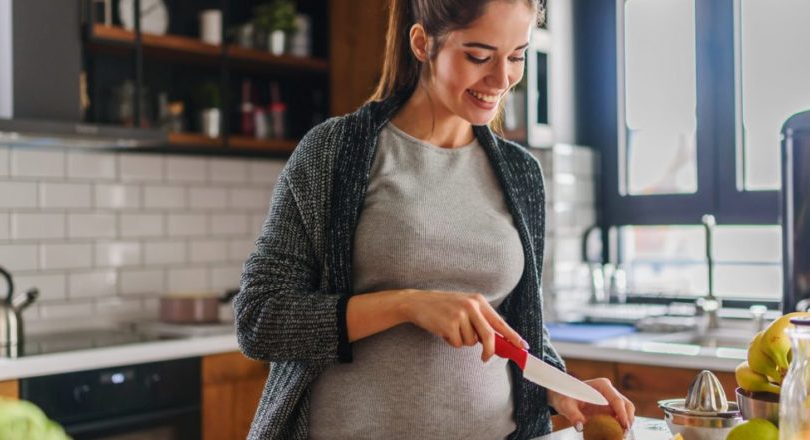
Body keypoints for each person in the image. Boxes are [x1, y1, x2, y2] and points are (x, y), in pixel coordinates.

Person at [234, 0, 635, 438]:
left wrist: (559, 386)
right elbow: (260, 319)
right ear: (423, 43)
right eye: (479, 56)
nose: (502, 80)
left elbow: (516, 334)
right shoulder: (335, 150)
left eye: (517, 56)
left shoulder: (522, 175)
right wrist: (408, 304)